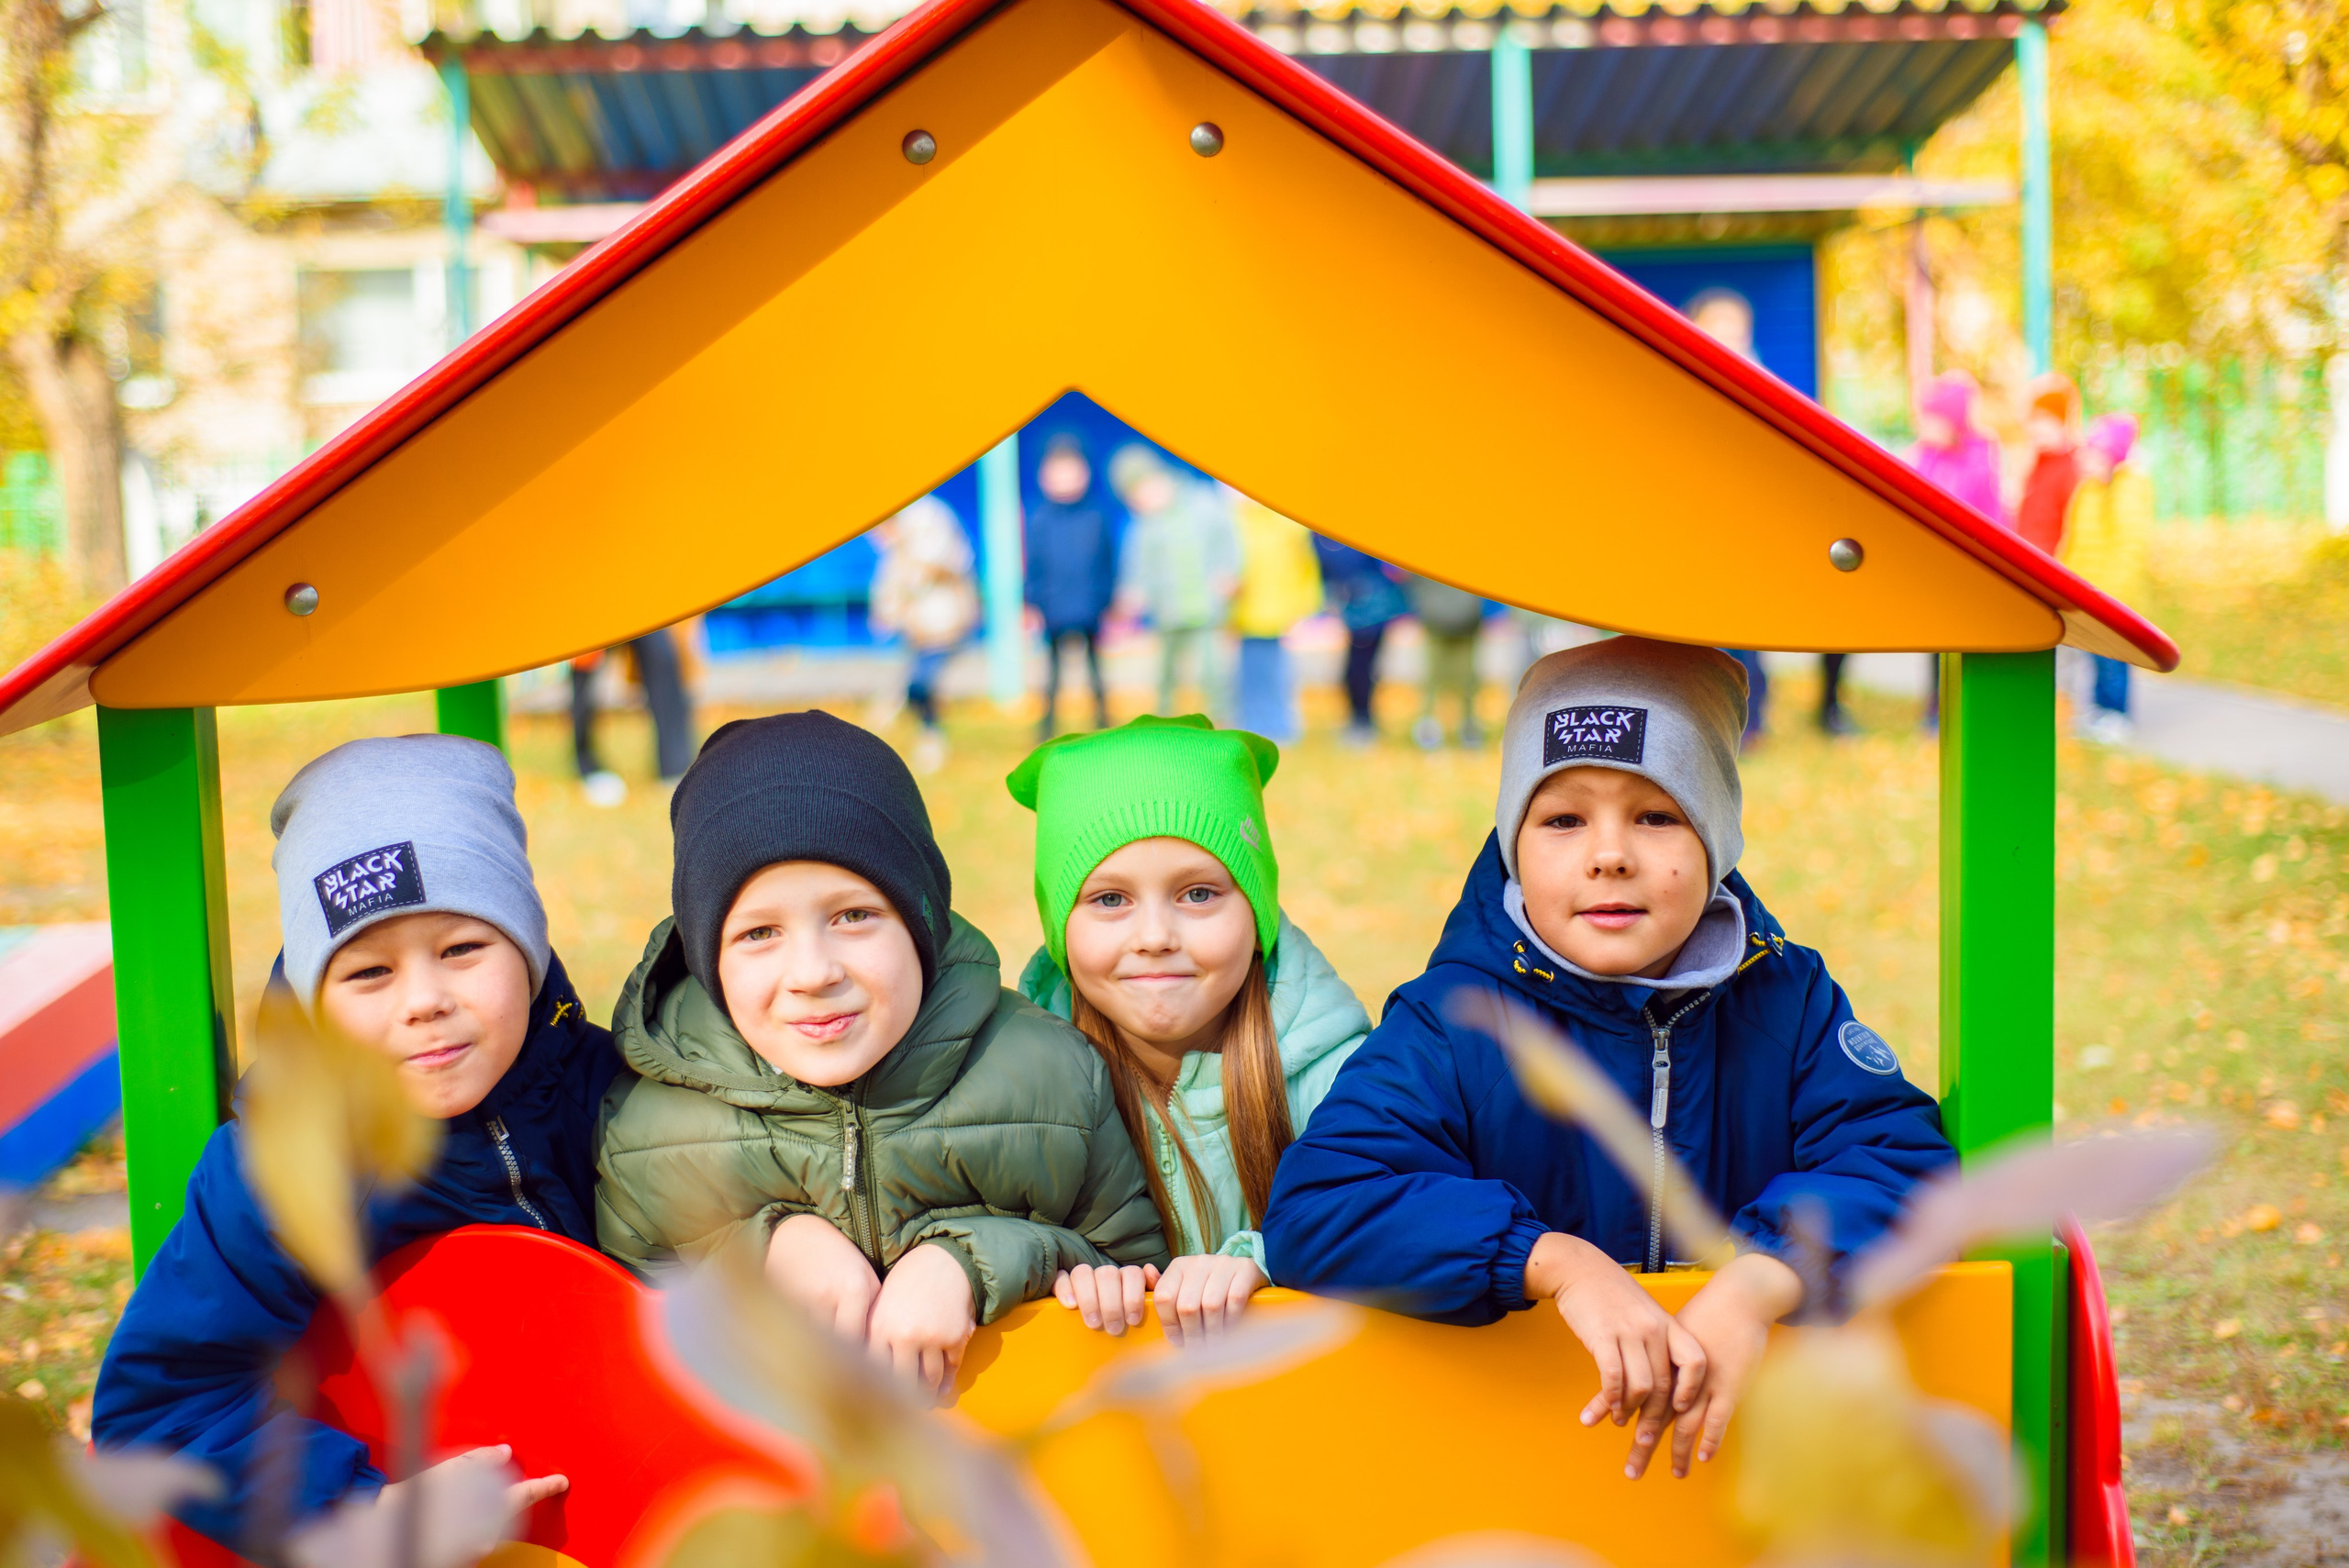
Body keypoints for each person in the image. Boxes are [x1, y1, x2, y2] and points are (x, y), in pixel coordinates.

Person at [1264, 639, 1954, 1483]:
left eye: (1657, 815)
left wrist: (1764, 1278)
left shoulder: (1786, 997)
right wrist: (1549, 1261)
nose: (1610, 854)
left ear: (1716, 840)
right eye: (1563, 819)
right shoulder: (1455, 1019)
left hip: (1756, 1477)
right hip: (1517, 1468)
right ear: (1515, 844)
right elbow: (1323, 1206)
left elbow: (1902, 1161)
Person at [94, 736, 612, 1555]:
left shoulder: (612, 1093)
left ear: (530, 951)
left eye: (462, 949)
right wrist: (358, 1508)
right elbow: (166, 1404)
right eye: (369, 972)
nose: (426, 1001)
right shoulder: (283, 1174)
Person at [595, 712, 1170, 1402]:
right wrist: (764, 1248)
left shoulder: (1049, 1074)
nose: (812, 971)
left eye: (853, 915)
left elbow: (1134, 1279)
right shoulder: (649, 1123)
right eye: (758, 931)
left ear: (921, 919)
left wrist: (972, 1260)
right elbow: (625, 1332)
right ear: (705, 956)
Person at [1004, 716, 1371, 1341]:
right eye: (1110, 899)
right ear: (1059, 927)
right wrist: (1060, 1263)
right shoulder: (1013, 1087)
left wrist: (1272, 1257)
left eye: (1198, 893)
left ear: (1256, 913)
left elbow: (1395, 1218)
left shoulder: (1341, 1075)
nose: (1154, 938)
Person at [1904, 372, 2008, 732]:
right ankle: (1937, 706)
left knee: (1968, 644)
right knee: (1937, 644)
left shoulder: (1980, 456)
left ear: (1952, 420)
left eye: (1930, 417)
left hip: (1970, 566)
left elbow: (1990, 515)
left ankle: (1969, 706)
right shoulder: (1926, 455)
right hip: (1934, 566)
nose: (1922, 424)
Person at [1111, 445, 1240, 720]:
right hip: (1168, 611)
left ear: (1161, 477)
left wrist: (1230, 572)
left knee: (1213, 672)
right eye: (1134, 497)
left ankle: (1222, 722)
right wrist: (1132, 592)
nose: (1143, 500)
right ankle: (1164, 724)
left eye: (1145, 490)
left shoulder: (1204, 504)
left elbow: (1228, 542)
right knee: (1166, 675)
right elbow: (1136, 565)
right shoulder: (1144, 525)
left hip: (1207, 608)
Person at [869, 495, 980, 774]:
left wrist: (908, 587)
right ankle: (925, 729)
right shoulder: (895, 546)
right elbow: (890, 586)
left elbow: (941, 566)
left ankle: (928, 733)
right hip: (918, 629)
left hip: (946, 621)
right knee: (918, 681)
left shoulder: (927, 519)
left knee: (922, 682)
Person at [2062, 414, 2153, 744]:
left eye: (2094, 454)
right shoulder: (2088, 490)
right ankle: (2098, 710)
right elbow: (2074, 540)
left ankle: (2117, 714)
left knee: (2114, 658)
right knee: (2093, 656)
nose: (2087, 461)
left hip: (2113, 594)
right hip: (2087, 592)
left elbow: (2131, 545)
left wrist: (2114, 594)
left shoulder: (2128, 490)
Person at [1023, 434, 1116, 740]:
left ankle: (1103, 726)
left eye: (1071, 471)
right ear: (1044, 477)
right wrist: (1031, 602)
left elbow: (1107, 560)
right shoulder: (1040, 518)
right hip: (1053, 608)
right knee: (1051, 676)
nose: (1065, 479)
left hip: (1090, 607)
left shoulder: (1096, 516)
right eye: (1057, 472)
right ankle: (1046, 731)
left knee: (1096, 673)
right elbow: (1033, 564)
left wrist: (1108, 600)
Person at [1228, 492, 1323, 744]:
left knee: (1278, 673)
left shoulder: (1288, 525)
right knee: (1249, 674)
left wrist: (1305, 607)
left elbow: (1305, 569)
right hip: (1246, 616)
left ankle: (1282, 728)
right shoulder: (1236, 521)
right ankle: (1252, 726)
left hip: (1278, 615)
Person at [571, 626, 696, 806]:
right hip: (591, 608)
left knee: (661, 657)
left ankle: (674, 768)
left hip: (633, 604)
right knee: (585, 679)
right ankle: (588, 767)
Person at [1311, 536, 1408, 745]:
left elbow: (1388, 569)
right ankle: (1360, 720)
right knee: (1358, 667)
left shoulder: (1359, 539)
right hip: (1354, 607)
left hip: (1372, 608)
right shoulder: (1323, 539)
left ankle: (1363, 721)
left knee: (1361, 668)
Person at [1404, 573, 1486, 750]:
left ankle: (1464, 726)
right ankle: (1436, 726)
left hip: (1456, 618)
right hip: (1446, 618)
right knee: (1438, 677)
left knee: (1462, 678)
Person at [2016, 374, 2081, 558]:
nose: (2035, 427)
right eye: (2033, 420)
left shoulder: (2073, 468)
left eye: (2043, 419)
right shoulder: (2036, 463)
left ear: (2061, 422)